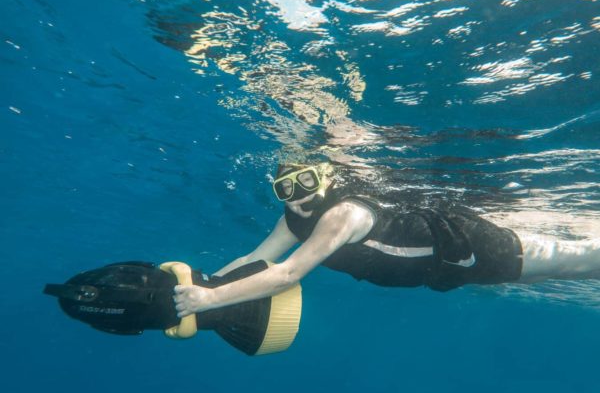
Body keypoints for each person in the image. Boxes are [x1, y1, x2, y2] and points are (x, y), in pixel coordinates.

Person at [174, 162, 600, 317]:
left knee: (577, 261)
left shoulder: (343, 214)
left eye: (306, 182)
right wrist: (207, 283)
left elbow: (286, 274)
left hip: (468, 247)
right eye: (286, 188)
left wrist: (209, 302)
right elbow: (258, 258)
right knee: (568, 272)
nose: (299, 196)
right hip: (446, 271)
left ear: (326, 178)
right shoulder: (295, 218)